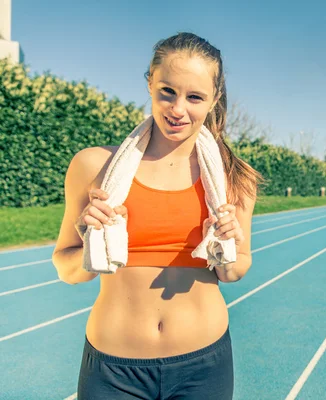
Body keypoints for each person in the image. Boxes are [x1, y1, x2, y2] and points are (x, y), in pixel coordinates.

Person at [52, 32, 262, 400]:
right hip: (113, 371)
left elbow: (235, 270)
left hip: (203, 366)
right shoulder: (93, 166)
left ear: (213, 100)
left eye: (194, 97)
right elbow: (67, 269)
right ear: (150, 81)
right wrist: (90, 238)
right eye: (168, 91)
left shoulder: (233, 176)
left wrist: (227, 246)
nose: (178, 109)